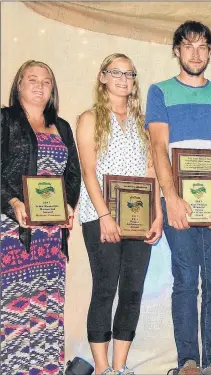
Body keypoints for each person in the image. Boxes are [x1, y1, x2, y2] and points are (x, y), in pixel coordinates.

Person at [145, 21, 211, 375]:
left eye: (203, 47)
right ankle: (187, 362)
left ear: (210, 53)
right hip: (177, 203)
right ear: (176, 51)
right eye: (188, 46)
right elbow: (158, 146)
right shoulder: (159, 92)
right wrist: (169, 197)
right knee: (185, 281)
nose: (196, 53)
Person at [76, 53, 163, 375]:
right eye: (116, 73)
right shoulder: (90, 119)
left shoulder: (144, 123)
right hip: (100, 217)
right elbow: (88, 172)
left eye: (130, 74)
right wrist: (104, 215)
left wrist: (157, 215)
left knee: (132, 290)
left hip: (139, 217)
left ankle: (120, 366)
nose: (124, 79)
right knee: (105, 288)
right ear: (102, 77)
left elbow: (152, 172)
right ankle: (101, 369)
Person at [0, 60, 81, 374]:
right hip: (12, 231)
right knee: (15, 309)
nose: (39, 85)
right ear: (18, 84)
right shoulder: (5, 120)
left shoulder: (62, 127)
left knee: (48, 307)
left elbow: (71, 176)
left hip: (51, 237)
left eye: (46, 80)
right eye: (31, 79)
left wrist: (69, 206)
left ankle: (46, 369)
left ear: (53, 89)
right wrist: (12, 201)